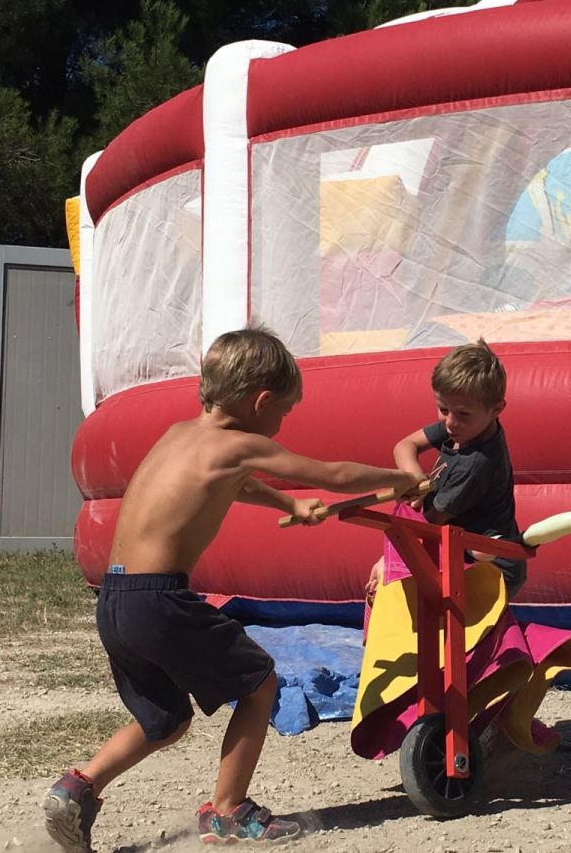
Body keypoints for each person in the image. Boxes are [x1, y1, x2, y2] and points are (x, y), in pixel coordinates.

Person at [42, 327, 420, 852]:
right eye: (283, 411)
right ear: (260, 402)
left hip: (116, 597)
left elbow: (234, 484)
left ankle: (77, 787)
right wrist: (397, 480)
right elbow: (332, 474)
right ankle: (227, 812)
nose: (282, 422)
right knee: (260, 683)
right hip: (159, 599)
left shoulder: (177, 433)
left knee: (166, 719)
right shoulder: (241, 444)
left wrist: (287, 506)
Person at [368, 338, 524, 601]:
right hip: (457, 554)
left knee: (444, 627)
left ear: (496, 409)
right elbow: (404, 446)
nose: (449, 423)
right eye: (443, 409)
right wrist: (414, 478)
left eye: (462, 414)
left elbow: (428, 524)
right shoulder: (468, 423)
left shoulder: (477, 463)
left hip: (489, 568)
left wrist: (387, 562)